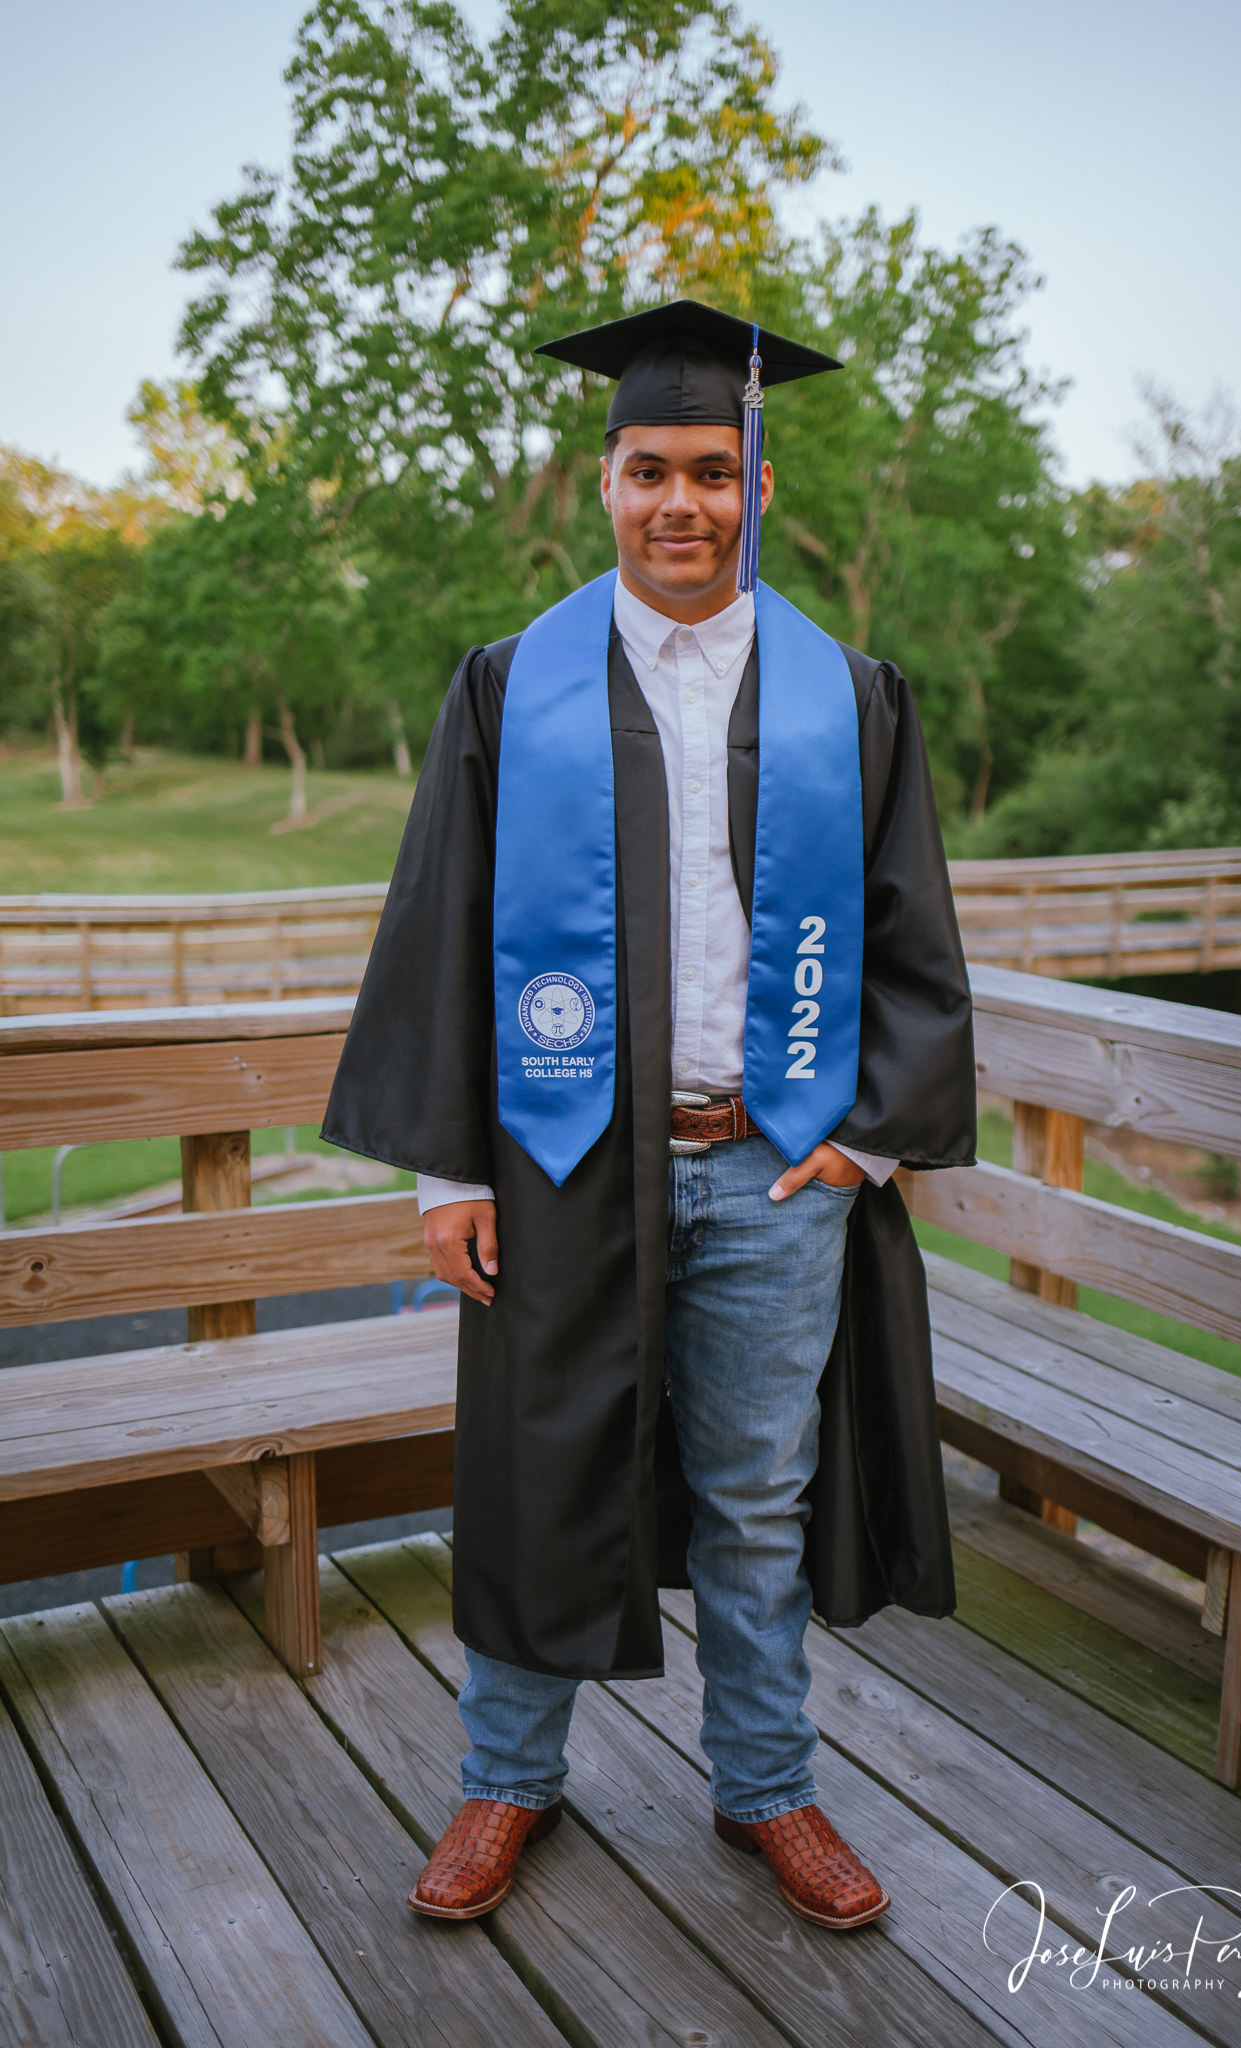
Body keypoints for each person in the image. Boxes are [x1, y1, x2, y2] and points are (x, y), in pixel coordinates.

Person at [322, 299, 976, 1933]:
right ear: (603, 483)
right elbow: (443, 925)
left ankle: (768, 1790)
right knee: (541, 1469)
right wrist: (447, 1171)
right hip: (562, 1161)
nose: (679, 502)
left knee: (756, 1499)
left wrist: (863, 1140)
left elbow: (908, 927)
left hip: (772, 1169)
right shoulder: (511, 686)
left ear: (758, 484)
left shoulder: (847, 695)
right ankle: (505, 1781)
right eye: (647, 471)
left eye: (711, 470)